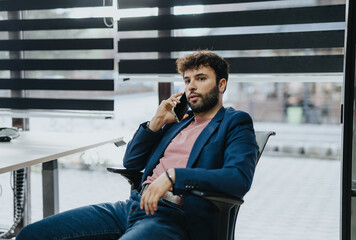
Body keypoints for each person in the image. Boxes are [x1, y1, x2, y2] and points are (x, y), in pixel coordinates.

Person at [17, 50, 258, 240]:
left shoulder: (234, 122)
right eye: (187, 80)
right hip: (132, 206)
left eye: (201, 78)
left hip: (173, 217)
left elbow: (238, 179)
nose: (191, 86)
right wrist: (155, 122)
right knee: (32, 234)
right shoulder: (178, 123)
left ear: (222, 84)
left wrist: (174, 176)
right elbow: (131, 162)